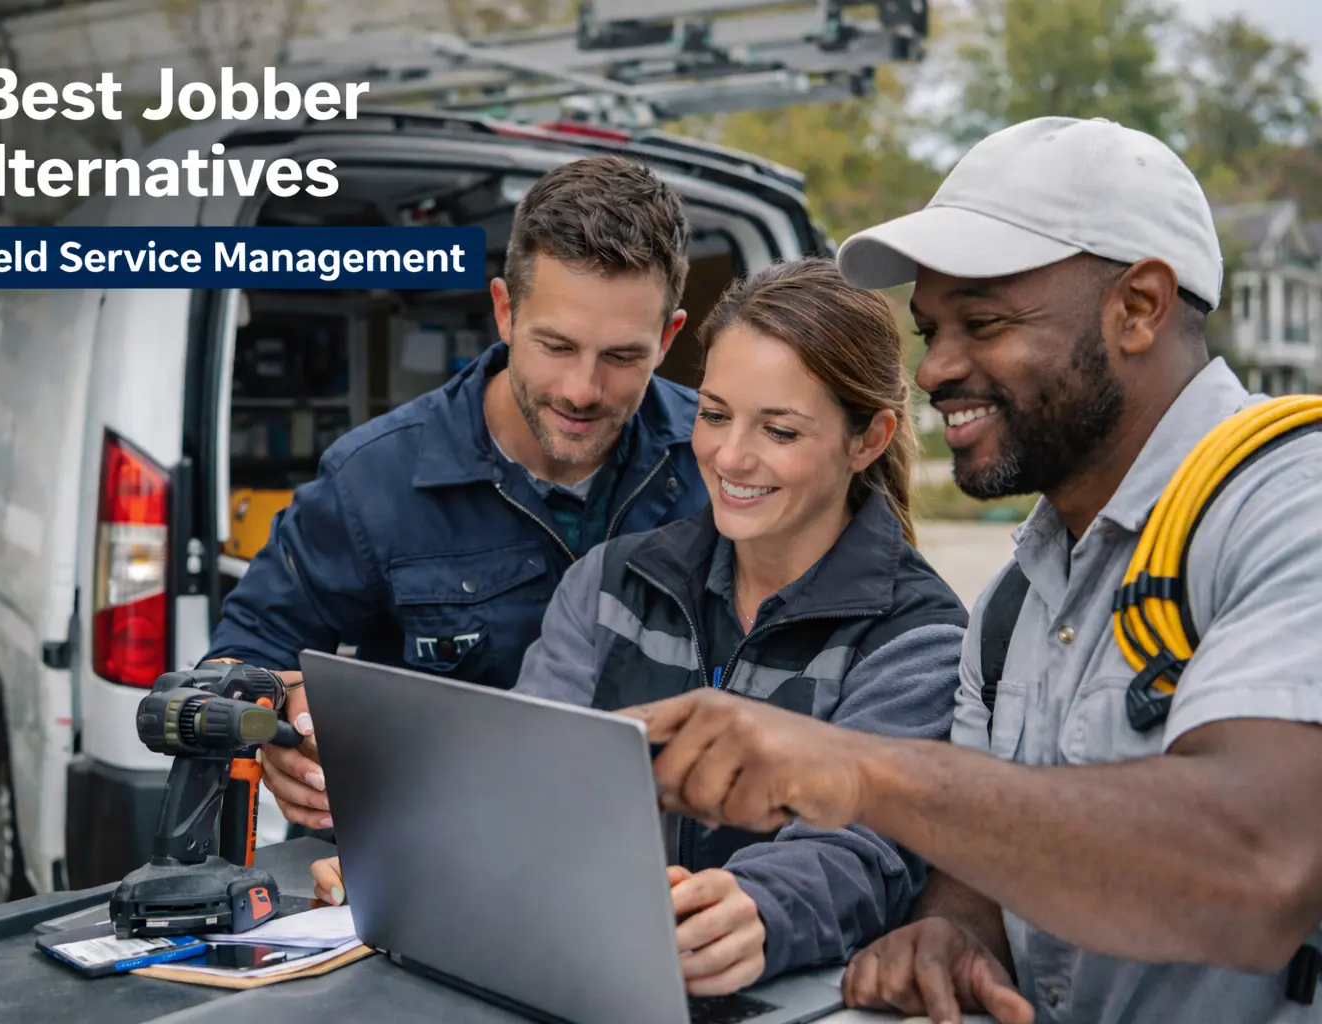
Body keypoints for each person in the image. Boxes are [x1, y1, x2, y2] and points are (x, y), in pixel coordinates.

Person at [618, 116, 1322, 1024]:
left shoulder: (1289, 506)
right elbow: (981, 871)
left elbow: (1261, 866)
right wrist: (956, 931)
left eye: (983, 322)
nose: (937, 369)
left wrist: (866, 772)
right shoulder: (1012, 603)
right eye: (931, 329)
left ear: (1139, 307)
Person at [307, 256, 972, 998]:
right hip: (589, 981)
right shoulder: (608, 582)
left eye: (779, 431)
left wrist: (759, 908)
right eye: (715, 414)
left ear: (869, 439)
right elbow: (525, 781)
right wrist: (418, 854)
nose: (731, 456)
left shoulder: (919, 637)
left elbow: (862, 847)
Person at [202, 154, 712, 832]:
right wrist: (279, 723)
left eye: (623, 357)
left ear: (669, 336)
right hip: (437, 854)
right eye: (556, 346)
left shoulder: (720, 460)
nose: (582, 391)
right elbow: (240, 659)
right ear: (504, 310)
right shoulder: (373, 481)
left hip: (669, 862)